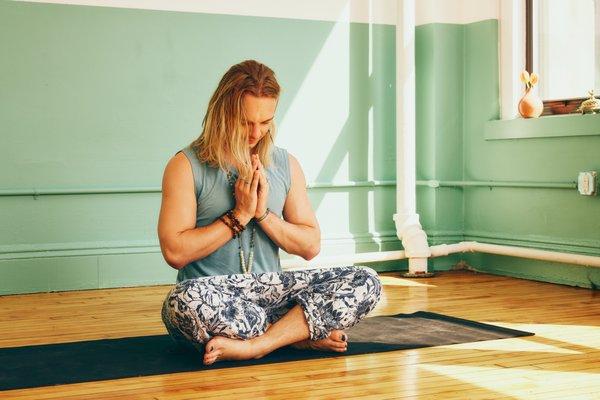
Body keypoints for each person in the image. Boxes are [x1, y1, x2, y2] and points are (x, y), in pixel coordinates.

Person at [158, 60, 381, 365]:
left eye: (265, 122)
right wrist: (239, 215)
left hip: (271, 290)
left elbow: (309, 245)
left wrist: (263, 215)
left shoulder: (286, 164)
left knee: (366, 280)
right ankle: (298, 336)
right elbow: (175, 251)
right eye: (245, 122)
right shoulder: (185, 166)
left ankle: (258, 344)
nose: (256, 132)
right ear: (222, 113)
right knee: (180, 302)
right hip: (213, 295)